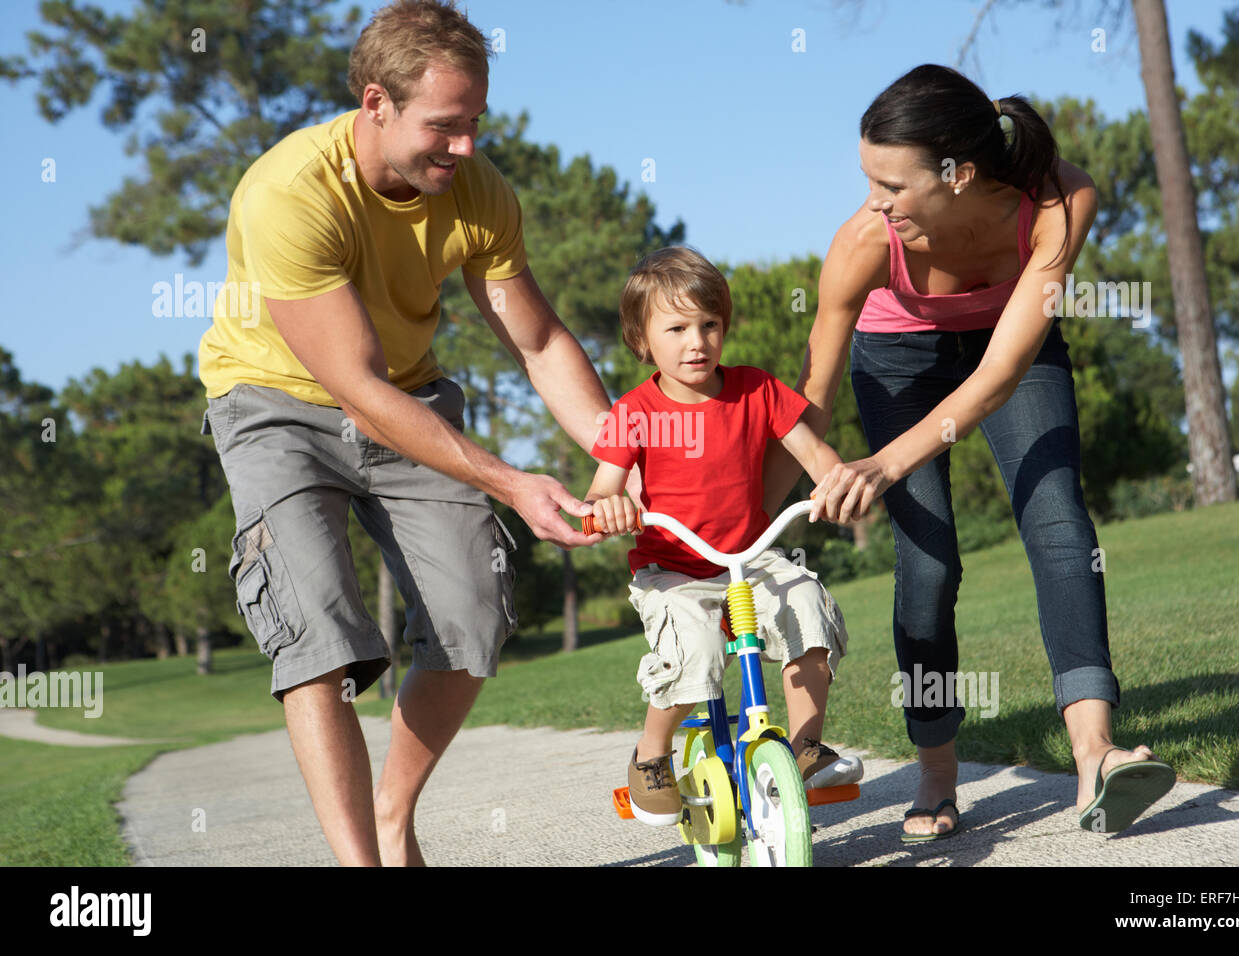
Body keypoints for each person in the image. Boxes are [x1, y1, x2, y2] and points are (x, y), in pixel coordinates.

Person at [197, 0, 611, 866]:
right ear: (376, 103)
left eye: (474, 125)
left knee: (471, 615)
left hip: (409, 398)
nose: (464, 148)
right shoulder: (289, 192)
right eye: (444, 126)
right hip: (275, 403)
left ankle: (394, 815)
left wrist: (621, 453)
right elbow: (351, 383)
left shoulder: (478, 189)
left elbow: (535, 342)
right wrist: (511, 480)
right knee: (317, 637)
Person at [769, 64, 1174, 841]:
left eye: (892, 184)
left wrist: (883, 465)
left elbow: (998, 377)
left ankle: (1096, 754)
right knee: (929, 562)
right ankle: (936, 771)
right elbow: (809, 397)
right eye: (868, 180)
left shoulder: (1059, 199)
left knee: (1059, 521)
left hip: (1008, 356)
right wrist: (747, 522)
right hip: (896, 361)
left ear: (957, 174)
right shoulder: (864, 241)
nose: (874, 202)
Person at [584, 246, 864, 825]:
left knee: (806, 604)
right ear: (643, 339)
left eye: (710, 325)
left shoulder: (756, 389)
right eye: (678, 327)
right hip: (673, 571)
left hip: (750, 557)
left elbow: (813, 452)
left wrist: (836, 483)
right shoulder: (633, 411)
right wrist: (607, 507)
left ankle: (806, 746)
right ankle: (651, 757)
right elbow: (601, 489)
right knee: (698, 650)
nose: (698, 341)